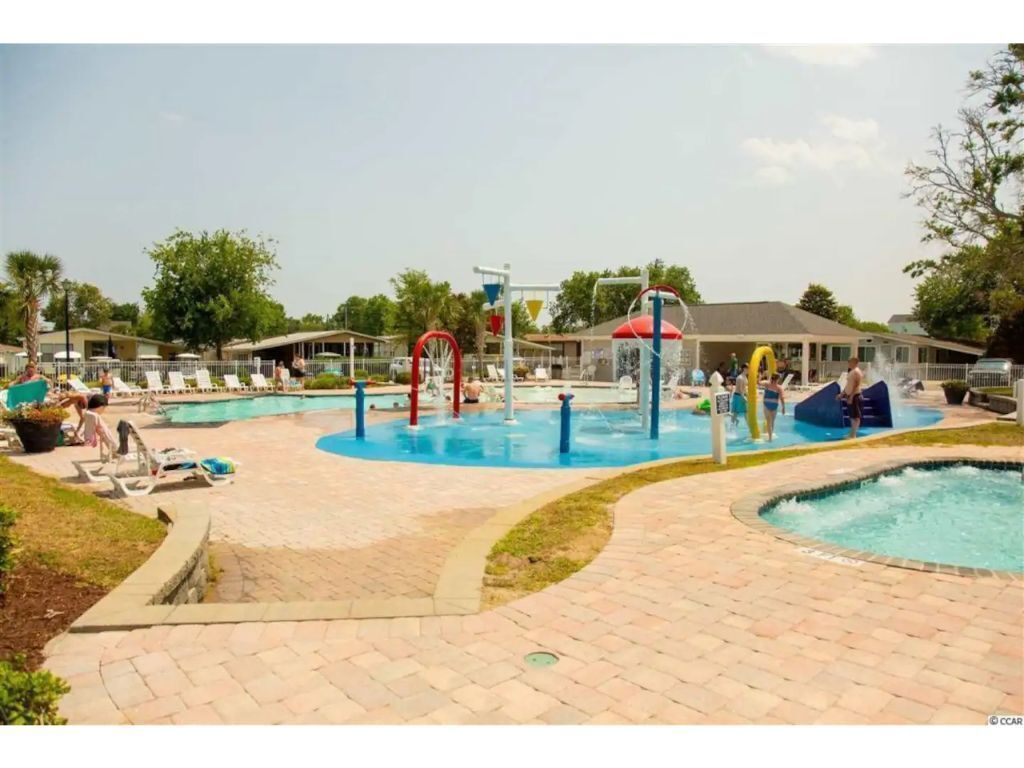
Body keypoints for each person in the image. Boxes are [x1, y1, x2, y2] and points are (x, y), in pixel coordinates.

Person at [836, 356, 864, 439]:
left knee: (855, 417)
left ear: (855, 362)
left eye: (850, 361)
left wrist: (851, 396)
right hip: (852, 395)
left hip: (854, 396)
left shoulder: (856, 372)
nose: (848, 363)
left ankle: (853, 435)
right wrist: (842, 394)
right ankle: (851, 434)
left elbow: (855, 385)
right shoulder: (853, 371)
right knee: (852, 416)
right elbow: (849, 385)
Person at [763, 373, 786, 441]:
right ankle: (770, 437)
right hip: (774, 405)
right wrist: (783, 408)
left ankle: (770, 437)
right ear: (778, 379)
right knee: (772, 422)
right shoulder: (779, 388)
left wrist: (761, 376)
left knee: (768, 421)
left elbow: (759, 382)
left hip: (767, 404)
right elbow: (782, 398)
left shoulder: (767, 384)